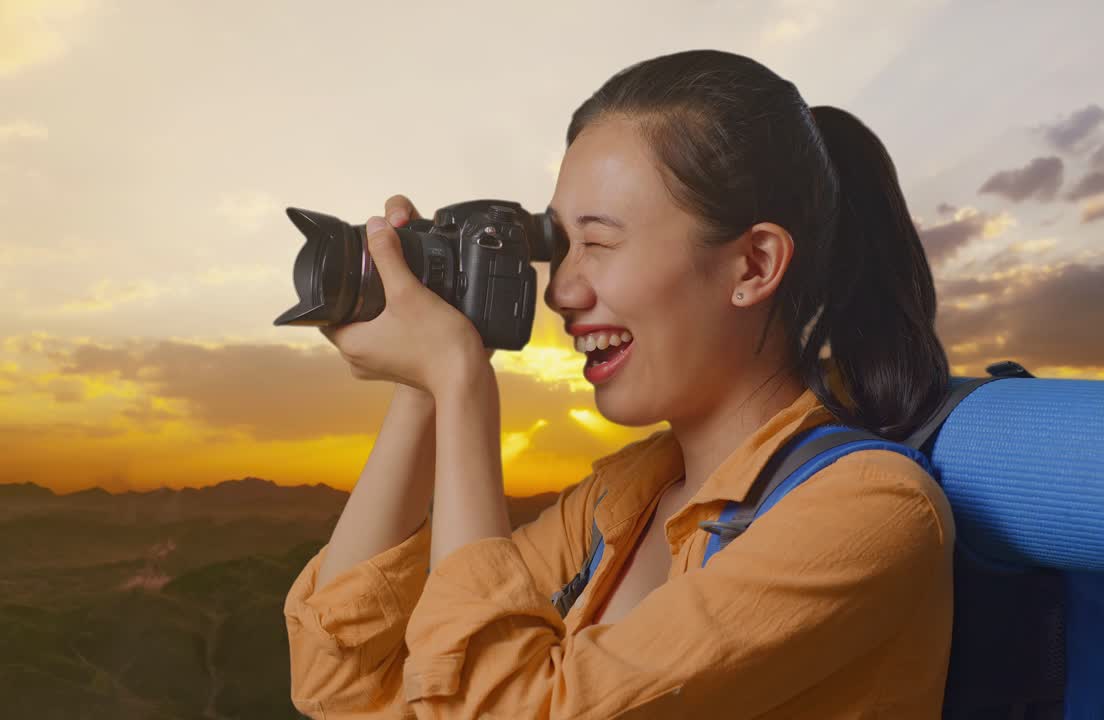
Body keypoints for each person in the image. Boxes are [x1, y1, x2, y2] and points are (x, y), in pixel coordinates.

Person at [284, 49, 956, 719]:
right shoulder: (624, 499)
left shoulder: (870, 512)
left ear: (753, 265)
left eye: (599, 243)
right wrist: (425, 373)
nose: (563, 290)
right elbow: (344, 690)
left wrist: (459, 378)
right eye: (560, 243)